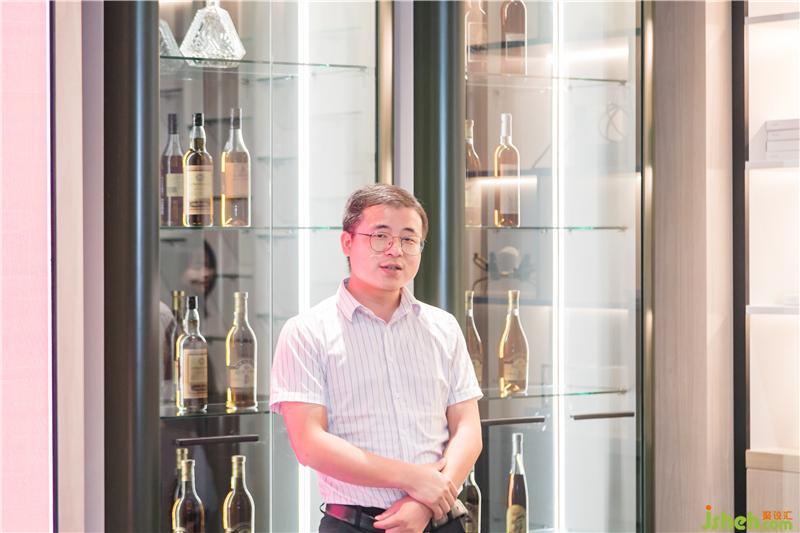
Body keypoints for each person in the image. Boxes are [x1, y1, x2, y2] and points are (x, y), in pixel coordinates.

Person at [270, 184, 483, 533]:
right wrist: (413, 478)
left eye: (408, 239)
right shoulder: (306, 331)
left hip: (442, 520)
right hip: (355, 524)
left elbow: (468, 429)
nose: (395, 250)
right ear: (347, 243)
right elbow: (310, 445)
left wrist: (423, 504)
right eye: (380, 236)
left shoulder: (443, 327)